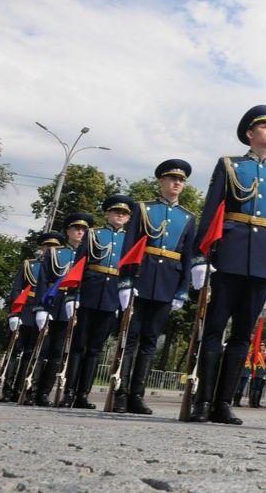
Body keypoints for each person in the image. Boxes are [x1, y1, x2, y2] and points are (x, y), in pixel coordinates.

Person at [187, 107, 266, 424]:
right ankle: (203, 401)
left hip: (263, 258)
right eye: (264, 126)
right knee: (215, 328)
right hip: (229, 253)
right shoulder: (230, 165)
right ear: (249, 133)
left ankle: (223, 403)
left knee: (243, 333)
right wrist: (200, 256)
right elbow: (211, 208)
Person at [114, 160, 196, 415]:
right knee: (130, 338)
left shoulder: (188, 217)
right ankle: (120, 393)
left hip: (167, 282)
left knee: (150, 341)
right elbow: (129, 246)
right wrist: (125, 281)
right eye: (173, 178)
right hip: (141, 277)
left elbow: (188, 256)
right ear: (161, 181)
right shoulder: (143, 209)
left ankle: (137, 395)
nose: (177, 183)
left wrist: (182, 289)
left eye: (181, 180)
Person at [61, 195, 132, 409]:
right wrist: (73, 295)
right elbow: (79, 265)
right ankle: (69, 393)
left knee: (95, 349)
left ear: (129, 218)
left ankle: (83, 394)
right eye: (116, 211)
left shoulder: (130, 239)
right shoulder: (93, 234)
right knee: (78, 346)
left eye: (124, 213)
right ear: (107, 213)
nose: (120, 215)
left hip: (112, 296)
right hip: (89, 292)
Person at [26, 213, 89, 406]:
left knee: (57, 352)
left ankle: (44, 393)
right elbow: (43, 281)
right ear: (68, 231)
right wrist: (40, 307)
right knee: (41, 349)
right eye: (76, 228)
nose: (80, 232)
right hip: (52, 302)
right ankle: (30, 391)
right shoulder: (55, 253)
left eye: (83, 229)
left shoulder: (88, 255)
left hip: (69, 306)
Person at [0, 230, 64, 402]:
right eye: (48, 246)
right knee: (14, 351)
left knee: (32, 352)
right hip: (25, 309)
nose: (50, 250)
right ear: (42, 247)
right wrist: (14, 312)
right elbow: (17, 289)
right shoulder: (29, 265)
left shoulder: (58, 267)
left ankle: (22, 389)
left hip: (44, 310)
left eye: (54, 247)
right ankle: (7, 390)